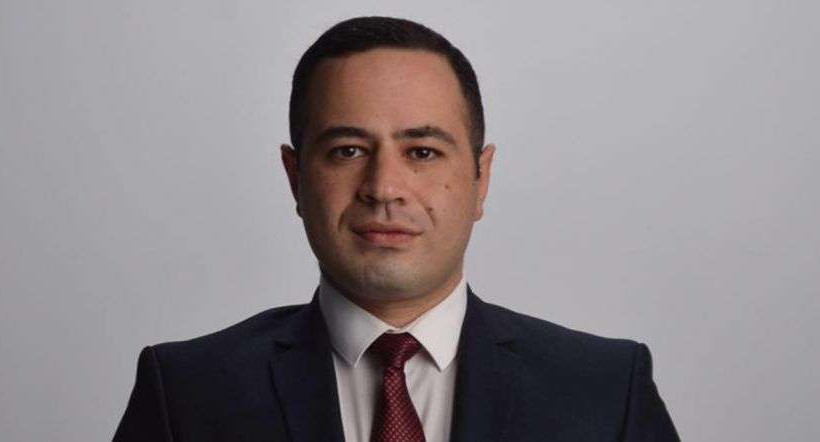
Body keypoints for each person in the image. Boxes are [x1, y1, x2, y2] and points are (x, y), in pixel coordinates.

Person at [113, 16, 680, 442]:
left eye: (423, 152)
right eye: (347, 150)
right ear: (295, 178)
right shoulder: (187, 393)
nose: (384, 187)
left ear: (481, 178)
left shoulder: (606, 391)